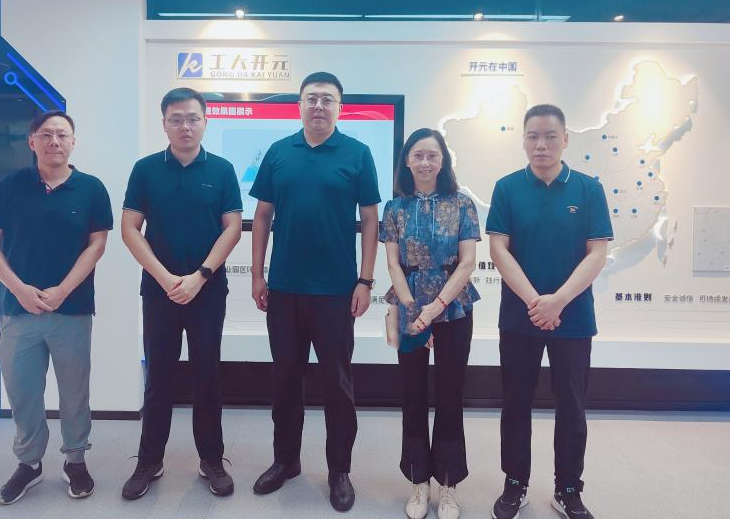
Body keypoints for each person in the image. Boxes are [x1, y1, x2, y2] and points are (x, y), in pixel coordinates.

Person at [249, 71, 381, 512]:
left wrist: (365, 280)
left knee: (337, 385)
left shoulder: (357, 154)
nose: (319, 106)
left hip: (336, 291)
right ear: (300, 105)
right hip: (284, 288)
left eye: (327, 99)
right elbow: (263, 215)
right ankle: (285, 461)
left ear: (339, 107)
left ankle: (339, 469)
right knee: (284, 379)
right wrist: (257, 275)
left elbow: (370, 219)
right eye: (311, 98)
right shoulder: (279, 152)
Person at [0, 110, 113, 504]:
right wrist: (19, 289)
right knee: (22, 392)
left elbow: (97, 245)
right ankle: (29, 463)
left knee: (74, 392)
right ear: (32, 141)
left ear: (74, 142)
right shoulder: (10, 186)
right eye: (47, 134)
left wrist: (63, 290)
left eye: (63, 135)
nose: (55, 141)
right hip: (18, 311)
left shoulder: (91, 188)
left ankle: (75, 460)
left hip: (72, 310)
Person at [487, 104, 613, 520]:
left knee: (572, 405)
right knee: (515, 402)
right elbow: (499, 250)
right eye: (533, 136)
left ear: (565, 140)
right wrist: (535, 302)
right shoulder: (507, 188)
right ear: (523, 140)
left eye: (550, 136)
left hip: (573, 318)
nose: (541, 144)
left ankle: (568, 487)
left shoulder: (588, 189)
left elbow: (597, 253)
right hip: (519, 317)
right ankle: (515, 482)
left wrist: (557, 300)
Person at [120, 88, 242, 500]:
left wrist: (199, 276)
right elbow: (130, 228)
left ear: (205, 121)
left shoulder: (222, 170)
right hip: (160, 293)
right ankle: (149, 461)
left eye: (192, 118)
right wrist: (165, 278)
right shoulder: (145, 170)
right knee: (158, 377)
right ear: (164, 123)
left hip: (207, 291)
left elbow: (232, 228)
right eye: (176, 119)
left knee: (208, 376)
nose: (185, 126)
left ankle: (211, 460)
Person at [380, 128, 481, 520]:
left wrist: (434, 309)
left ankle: (448, 485)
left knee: (450, 395)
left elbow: (467, 263)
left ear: (443, 161)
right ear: (407, 160)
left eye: (432, 156)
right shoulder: (395, 208)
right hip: (409, 308)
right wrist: (412, 309)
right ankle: (418, 480)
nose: (425, 162)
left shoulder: (462, 204)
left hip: (453, 308)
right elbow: (393, 263)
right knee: (413, 395)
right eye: (418, 155)